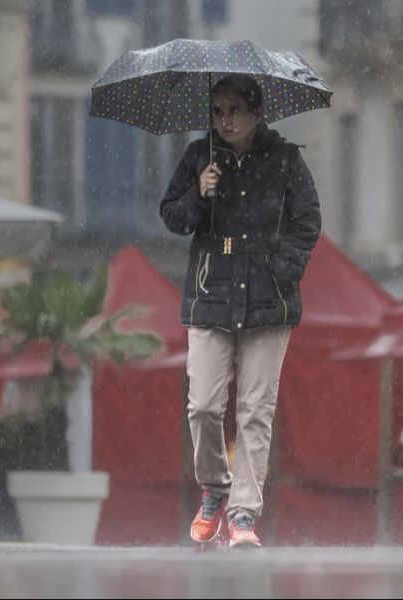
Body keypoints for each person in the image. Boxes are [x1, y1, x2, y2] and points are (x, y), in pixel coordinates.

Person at [159, 74, 321, 548]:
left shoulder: (287, 160)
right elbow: (173, 216)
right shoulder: (199, 157)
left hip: (269, 299)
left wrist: (283, 269)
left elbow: (307, 220)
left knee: (256, 409)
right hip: (211, 293)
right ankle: (214, 486)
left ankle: (244, 514)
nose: (224, 120)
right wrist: (199, 193)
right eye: (217, 111)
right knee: (203, 405)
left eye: (234, 110)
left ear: (256, 112)